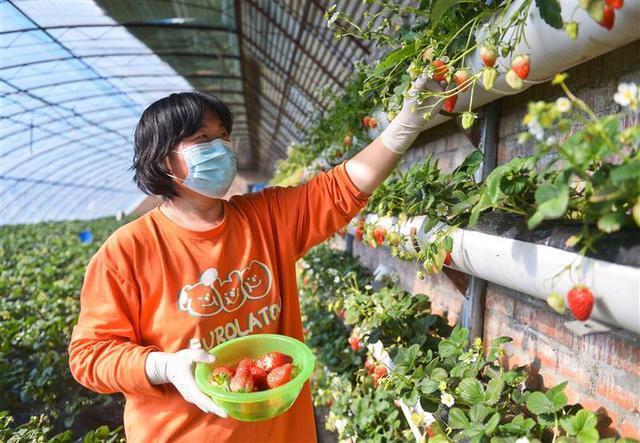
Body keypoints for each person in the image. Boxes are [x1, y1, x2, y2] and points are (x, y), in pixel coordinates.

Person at [68, 71, 442, 442]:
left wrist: (405, 124)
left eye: (223, 136)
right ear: (165, 161)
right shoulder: (128, 251)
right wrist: (164, 366)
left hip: (282, 431)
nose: (222, 148)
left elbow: (340, 188)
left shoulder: (266, 217)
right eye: (203, 138)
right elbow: (89, 355)